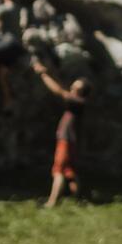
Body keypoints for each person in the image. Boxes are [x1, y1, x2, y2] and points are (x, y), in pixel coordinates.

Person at [32, 58, 91, 208]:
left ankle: (52, 203)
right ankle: (80, 199)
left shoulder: (79, 101)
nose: (72, 87)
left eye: (76, 86)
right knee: (69, 172)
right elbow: (61, 88)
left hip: (66, 141)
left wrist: (43, 74)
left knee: (58, 171)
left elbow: (58, 91)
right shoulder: (78, 102)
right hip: (69, 141)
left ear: (81, 91)